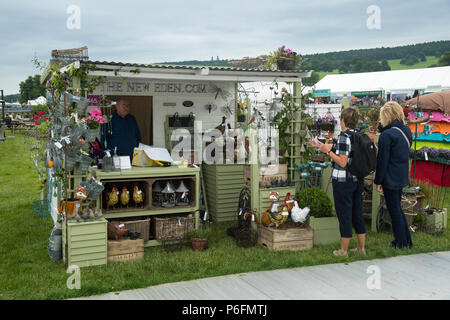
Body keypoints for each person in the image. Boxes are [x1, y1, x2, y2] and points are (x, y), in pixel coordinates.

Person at [307, 107, 366, 257]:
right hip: (357, 180)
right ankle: (361, 248)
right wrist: (320, 145)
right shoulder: (357, 135)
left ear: (343, 121)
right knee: (357, 213)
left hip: (343, 182)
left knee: (344, 214)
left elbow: (342, 161)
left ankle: (343, 250)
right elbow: (343, 150)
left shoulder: (344, 137)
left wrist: (328, 152)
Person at [374, 102, 413, 249]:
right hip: (401, 174)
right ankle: (406, 241)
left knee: (394, 210)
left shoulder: (387, 135)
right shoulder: (406, 130)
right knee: (398, 209)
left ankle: (400, 242)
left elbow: (382, 161)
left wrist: (379, 181)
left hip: (390, 177)